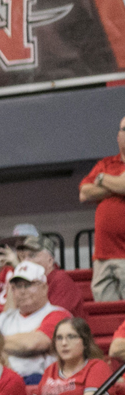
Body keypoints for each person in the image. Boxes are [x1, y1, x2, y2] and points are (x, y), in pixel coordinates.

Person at [0, 262, 73, 380]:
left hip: (41, 382)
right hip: (4, 381)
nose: (22, 291)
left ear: (44, 287)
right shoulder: (3, 318)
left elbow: (33, 344)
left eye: (28, 285)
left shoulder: (58, 315)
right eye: (17, 287)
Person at [80, 114, 125, 303]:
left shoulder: (101, 170)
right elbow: (84, 194)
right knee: (106, 315)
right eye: (123, 129)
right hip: (103, 256)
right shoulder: (105, 164)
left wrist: (101, 179)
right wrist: (115, 186)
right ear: (117, 136)